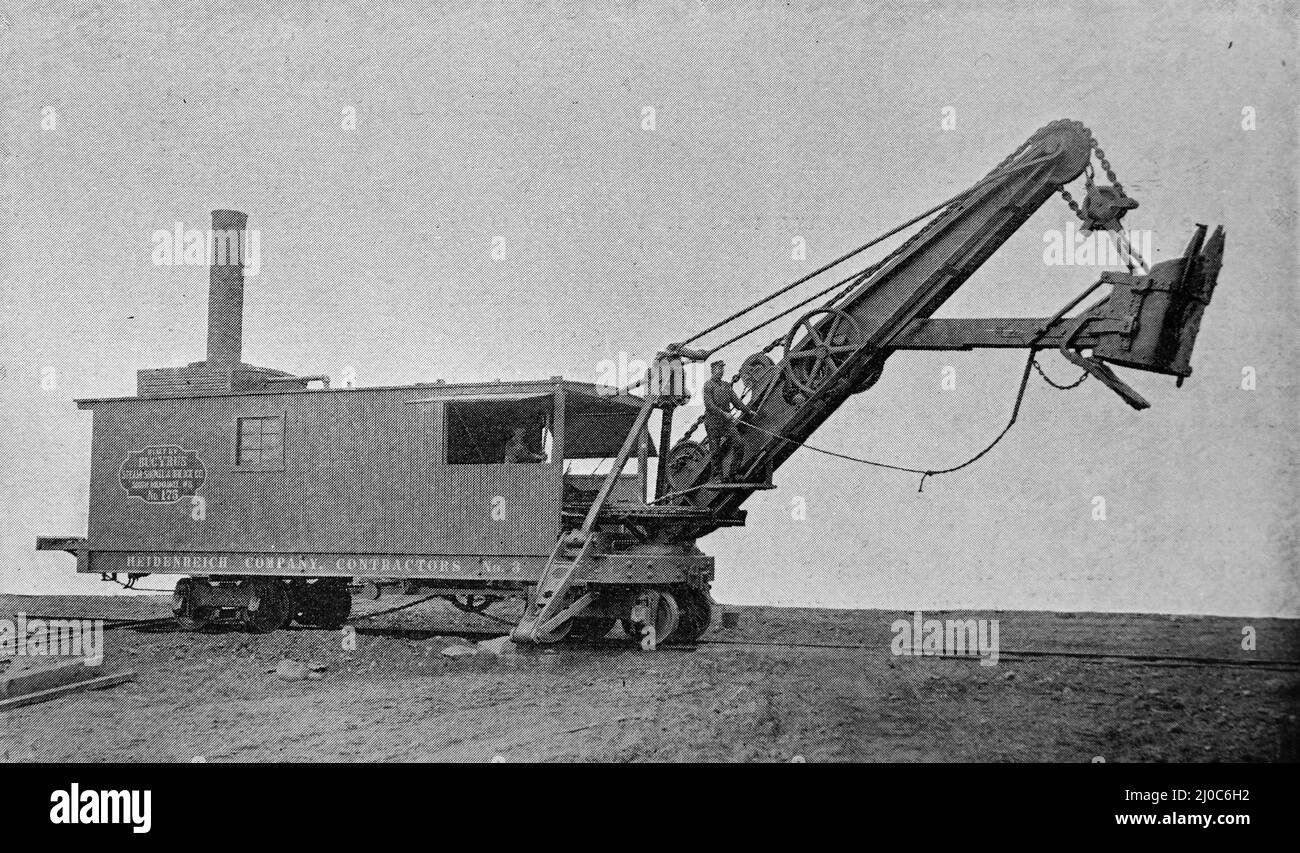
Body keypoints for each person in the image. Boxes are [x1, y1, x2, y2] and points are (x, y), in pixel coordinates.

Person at [702, 360, 757, 480]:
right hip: (713, 423)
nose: (721, 371)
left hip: (726, 423)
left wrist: (748, 411)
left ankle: (734, 472)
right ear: (712, 370)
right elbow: (709, 405)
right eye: (718, 369)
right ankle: (717, 477)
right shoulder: (708, 386)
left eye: (722, 369)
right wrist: (723, 413)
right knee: (715, 451)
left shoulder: (726, 386)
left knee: (739, 443)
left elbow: (736, 402)